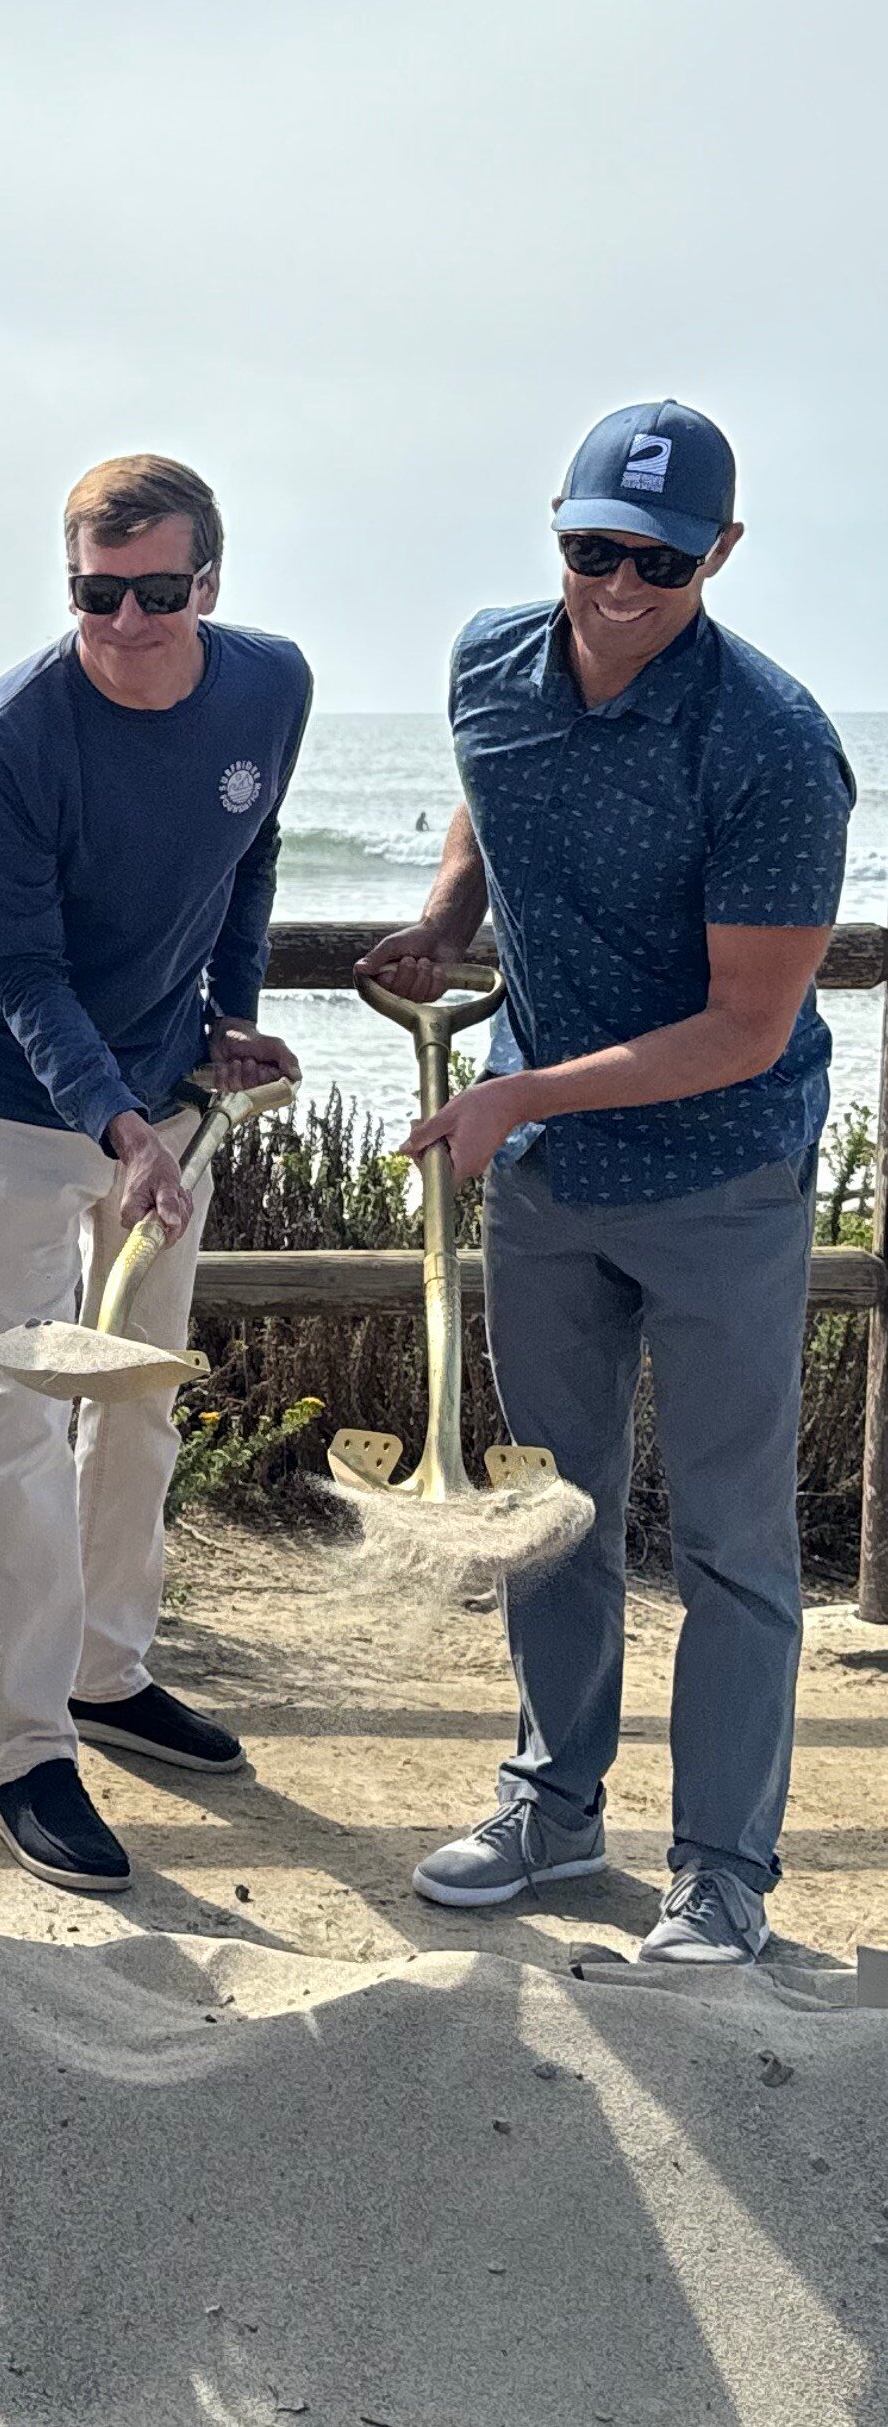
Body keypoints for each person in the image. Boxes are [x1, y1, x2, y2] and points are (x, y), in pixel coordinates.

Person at [361, 401, 853, 1965]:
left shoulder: (773, 745)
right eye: (592, 549)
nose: (619, 584)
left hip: (717, 1177)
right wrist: (446, 923)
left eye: (658, 558)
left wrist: (510, 1091)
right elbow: (488, 795)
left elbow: (744, 1024)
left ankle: (720, 1870)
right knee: (546, 1514)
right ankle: (553, 1811)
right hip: (551, 1178)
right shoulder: (487, 661)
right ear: (556, 533)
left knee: (726, 1540)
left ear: (718, 552)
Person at [0, 455, 311, 1892]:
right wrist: (115, 1127)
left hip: (163, 1087)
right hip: (23, 1105)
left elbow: (249, 846)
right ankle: (26, 1743)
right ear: (68, 582)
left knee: (142, 1392)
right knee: (22, 1406)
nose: (129, 621)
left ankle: (103, 1669)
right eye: (98, 595)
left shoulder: (270, 684)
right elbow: (19, 974)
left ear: (208, 581)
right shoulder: (4, 743)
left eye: (159, 591)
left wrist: (223, 1017)